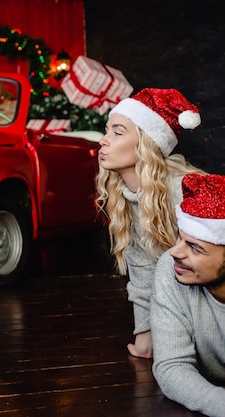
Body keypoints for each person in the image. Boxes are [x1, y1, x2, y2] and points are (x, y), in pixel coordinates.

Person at [95, 88, 205, 358]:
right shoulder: (126, 199)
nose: (103, 141)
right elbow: (143, 273)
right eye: (107, 131)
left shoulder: (182, 190)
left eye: (117, 133)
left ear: (146, 143)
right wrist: (145, 333)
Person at [150, 173, 225, 416]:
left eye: (195, 247)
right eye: (180, 237)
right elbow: (172, 366)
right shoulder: (171, 269)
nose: (175, 252)